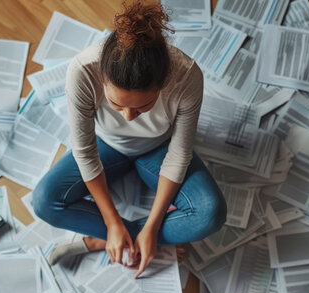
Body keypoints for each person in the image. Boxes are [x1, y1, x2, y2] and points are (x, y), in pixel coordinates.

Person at [32, 1, 226, 278]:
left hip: (159, 149)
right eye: (116, 104)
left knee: (210, 213)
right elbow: (85, 152)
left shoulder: (186, 76)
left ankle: (100, 241)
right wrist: (112, 222)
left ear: (162, 84)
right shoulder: (83, 70)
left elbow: (180, 153)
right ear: (102, 78)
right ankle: (121, 236)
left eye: (143, 107)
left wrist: (152, 227)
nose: (129, 118)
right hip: (104, 146)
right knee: (43, 201)